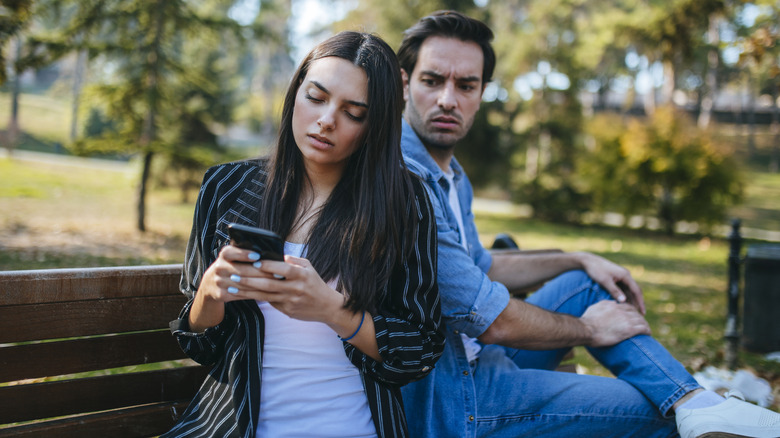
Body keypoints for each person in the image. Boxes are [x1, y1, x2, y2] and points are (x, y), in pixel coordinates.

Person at [397, 10, 780, 438]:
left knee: (590, 280)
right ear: (404, 83)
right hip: (453, 397)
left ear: (482, 91)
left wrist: (578, 257)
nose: (448, 99)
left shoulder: (452, 174)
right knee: (656, 413)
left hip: (483, 357)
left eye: (466, 85)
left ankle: (696, 402)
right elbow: (490, 318)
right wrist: (591, 329)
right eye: (433, 81)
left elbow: (480, 265)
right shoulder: (404, 176)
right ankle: (689, 406)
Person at [162, 31, 444, 438]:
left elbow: (419, 350)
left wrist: (331, 309)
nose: (326, 119)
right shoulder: (227, 187)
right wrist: (210, 294)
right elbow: (200, 347)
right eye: (316, 97)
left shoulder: (403, 202)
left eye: (354, 112)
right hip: (236, 427)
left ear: (374, 126)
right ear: (296, 94)